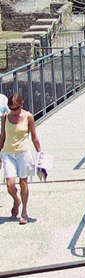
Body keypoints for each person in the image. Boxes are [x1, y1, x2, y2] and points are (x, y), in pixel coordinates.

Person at [2, 93, 42, 225]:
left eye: (16, 108)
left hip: (23, 152)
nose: (13, 112)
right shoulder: (5, 117)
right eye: (11, 109)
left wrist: (40, 154)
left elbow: (34, 137)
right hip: (8, 153)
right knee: (10, 184)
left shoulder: (28, 117)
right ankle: (16, 200)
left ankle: (24, 211)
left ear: (22, 104)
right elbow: (2, 136)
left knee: (23, 182)